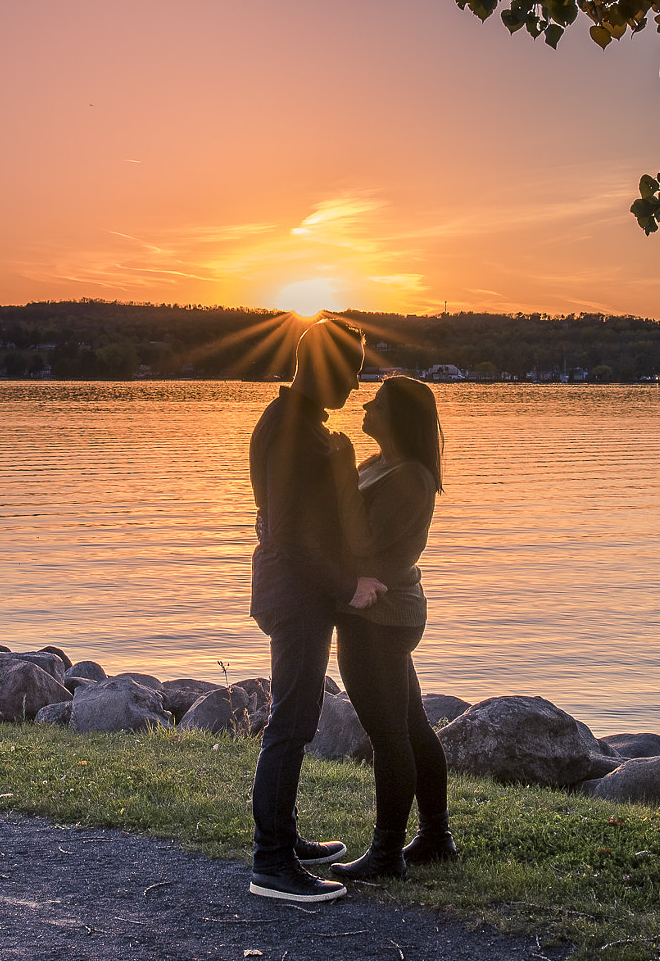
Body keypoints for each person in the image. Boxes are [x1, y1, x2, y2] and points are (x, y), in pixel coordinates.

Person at [245, 315, 383, 904]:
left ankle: (283, 838)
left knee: (293, 719)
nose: (355, 385)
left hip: (294, 590)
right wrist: (347, 584)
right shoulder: (295, 431)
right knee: (291, 723)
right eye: (351, 371)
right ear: (325, 368)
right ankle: (271, 863)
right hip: (297, 595)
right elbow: (291, 534)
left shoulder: (292, 421)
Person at [328, 374, 456, 881]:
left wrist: (339, 471)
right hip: (377, 613)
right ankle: (436, 836)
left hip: (380, 615)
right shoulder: (381, 465)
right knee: (412, 726)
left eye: (377, 402)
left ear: (398, 417)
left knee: (388, 736)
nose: (366, 404)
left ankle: (386, 854)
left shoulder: (410, 477)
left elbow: (361, 542)